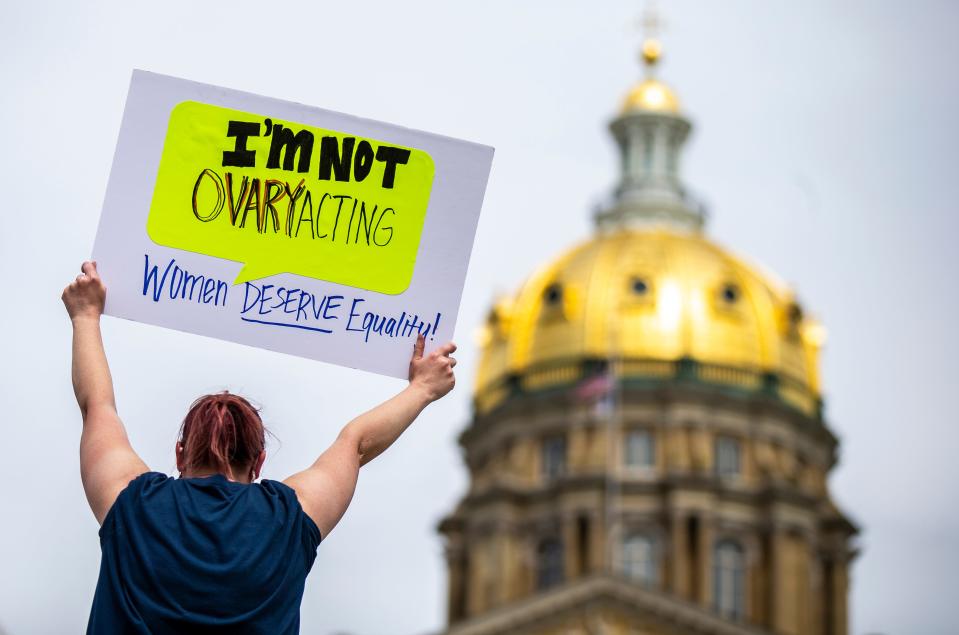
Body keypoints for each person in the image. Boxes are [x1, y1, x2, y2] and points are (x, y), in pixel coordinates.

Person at [62, 261, 457, 634]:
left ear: (180, 454)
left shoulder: (132, 504)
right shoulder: (288, 517)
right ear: (259, 462)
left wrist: (85, 316)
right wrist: (421, 389)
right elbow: (354, 444)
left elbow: (97, 406)